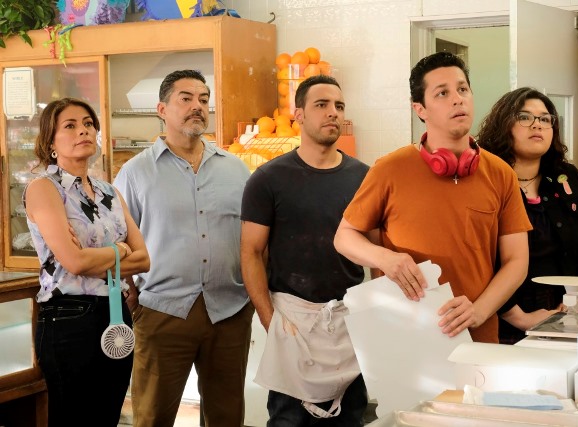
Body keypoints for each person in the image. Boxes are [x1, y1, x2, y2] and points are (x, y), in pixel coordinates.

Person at [334, 52, 532, 343]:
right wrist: (385, 258)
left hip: (478, 339)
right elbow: (344, 237)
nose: (457, 99)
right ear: (420, 109)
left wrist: (479, 311)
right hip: (406, 339)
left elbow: (517, 260)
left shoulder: (501, 173)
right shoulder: (389, 169)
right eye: (442, 93)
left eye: (462, 89)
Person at [113, 69, 254, 426]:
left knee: (227, 417)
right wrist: (131, 295)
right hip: (162, 311)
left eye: (204, 100)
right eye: (186, 99)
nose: (197, 107)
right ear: (161, 109)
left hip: (229, 312)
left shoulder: (236, 170)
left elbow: (252, 238)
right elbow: (118, 240)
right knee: (152, 416)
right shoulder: (136, 172)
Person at [241, 74, 371, 426]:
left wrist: (374, 317)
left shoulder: (364, 178)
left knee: (350, 419)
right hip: (292, 322)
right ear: (298, 114)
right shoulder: (267, 179)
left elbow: (377, 249)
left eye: (339, 106)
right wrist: (272, 322)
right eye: (321, 105)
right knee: (289, 420)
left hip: (348, 323)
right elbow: (251, 253)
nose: (333, 113)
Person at [25, 97, 150, 427]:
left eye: (88, 124)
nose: (83, 130)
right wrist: (120, 249)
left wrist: (98, 257)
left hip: (115, 312)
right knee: (73, 418)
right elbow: (74, 262)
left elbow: (144, 258)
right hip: (68, 316)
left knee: (107, 417)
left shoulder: (109, 191)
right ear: (50, 142)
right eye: (70, 126)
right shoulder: (44, 189)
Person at [478, 87, 578, 344]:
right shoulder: (485, 180)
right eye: (525, 117)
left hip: (564, 314)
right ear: (504, 125)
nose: (537, 125)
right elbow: (477, 259)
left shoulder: (567, 176)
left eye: (545, 119)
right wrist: (518, 317)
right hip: (499, 317)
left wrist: (575, 297)